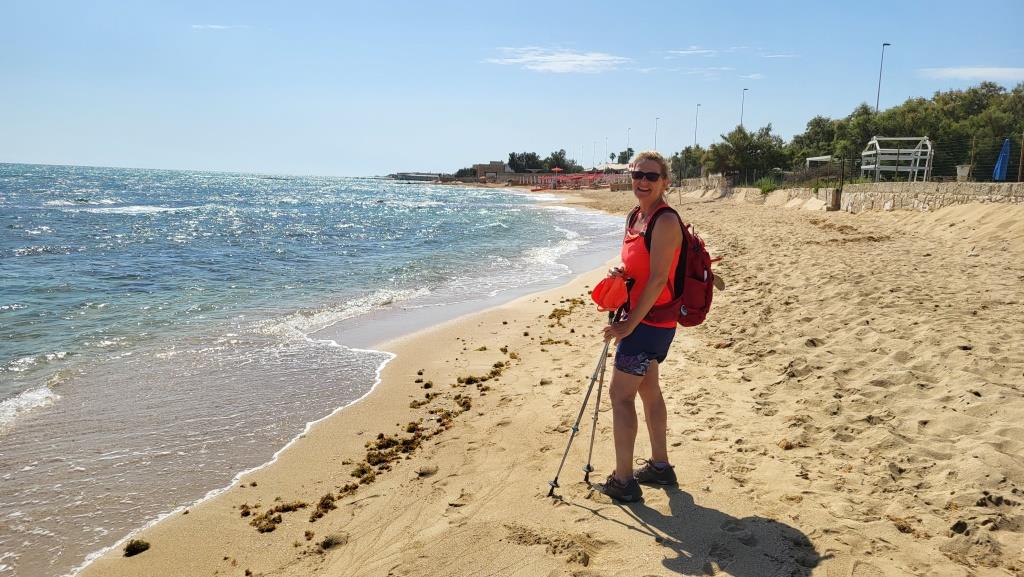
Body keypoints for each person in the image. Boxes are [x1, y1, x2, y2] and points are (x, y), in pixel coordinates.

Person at [598, 150, 683, 502]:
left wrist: (627, 326)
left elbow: (659, 278)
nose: (642, 181)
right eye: (637, 175)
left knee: (620, 396)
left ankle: (624, 481)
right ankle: (660, 467)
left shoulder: (665, 220)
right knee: (649, 389)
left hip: (648, 323)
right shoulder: (635, 216)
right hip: (645, 321)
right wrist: (621, 272)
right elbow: (639, 265)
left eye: (651, 176)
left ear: (665, 182)